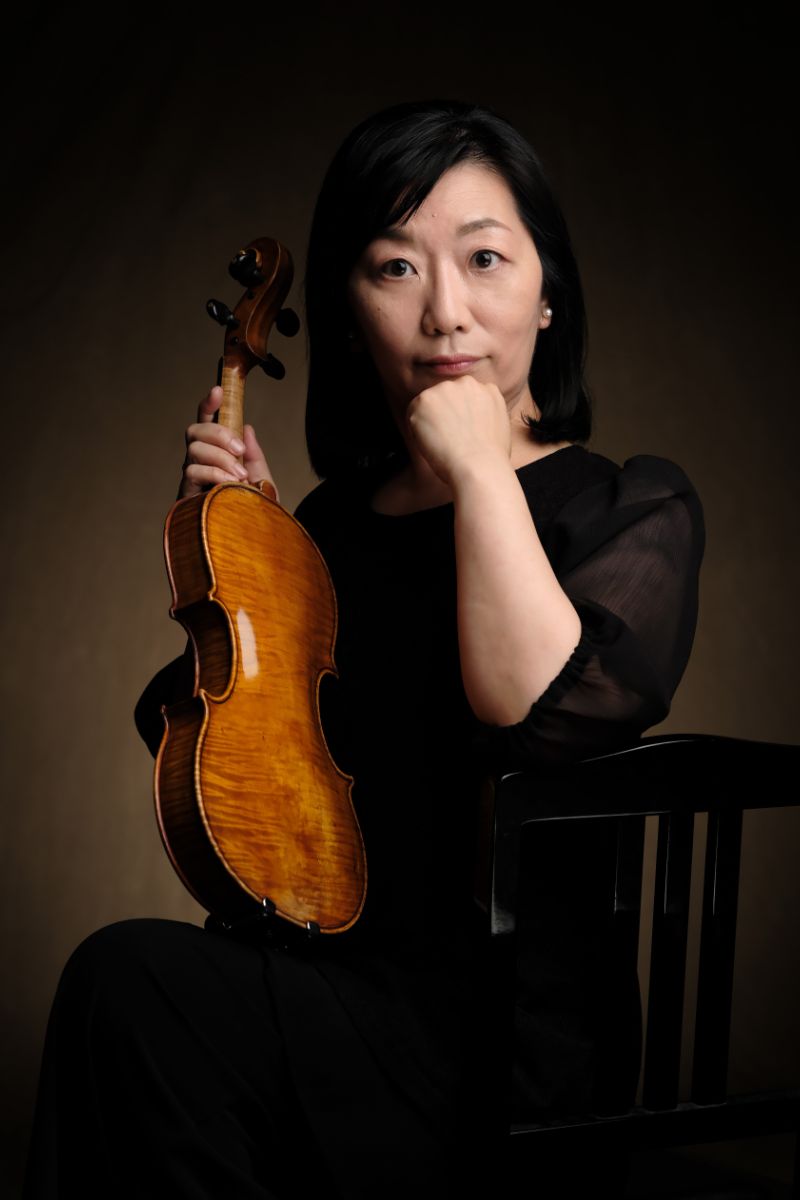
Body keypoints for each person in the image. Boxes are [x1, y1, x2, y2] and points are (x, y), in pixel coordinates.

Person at [23, 98, 705, 1198]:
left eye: (484, 259)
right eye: (394, 268)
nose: (445, 313)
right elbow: (226, 762)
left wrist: (478, 466)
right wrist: (252, 562)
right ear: (349, 313)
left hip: (505, 1049)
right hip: (329, 988)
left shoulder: (626, 507)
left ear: (547, 295)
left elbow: (532, 708)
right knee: (135, 990)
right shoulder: (333, 528)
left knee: (137, 989)